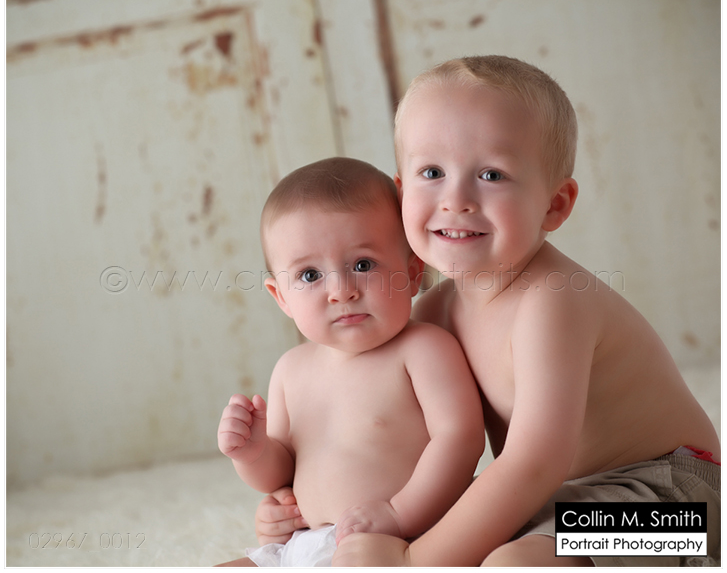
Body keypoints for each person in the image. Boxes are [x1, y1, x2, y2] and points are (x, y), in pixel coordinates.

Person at [256, 56, 721, 567]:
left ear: (554, 205)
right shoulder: (432, 313)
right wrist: (303, 508)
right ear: (401, 191)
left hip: (673, 498)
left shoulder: (552, 301)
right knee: (488, 539)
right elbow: (390, 443)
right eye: (432, 172)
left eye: (492, 174)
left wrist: (416, 560)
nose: (456, 200)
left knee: (513, 564)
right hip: (552, 501)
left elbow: (534, 462)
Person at [216, 157, 485, 567]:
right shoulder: (290, 370)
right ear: (281, 297)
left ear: (413, 272)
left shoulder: (424, 350)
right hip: (304, 543)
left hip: (400, 539)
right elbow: (280, 472)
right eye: (310, 275)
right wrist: (252, 453)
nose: (341, 291)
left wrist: (399, 514)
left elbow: (461, 440)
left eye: (363, 265)